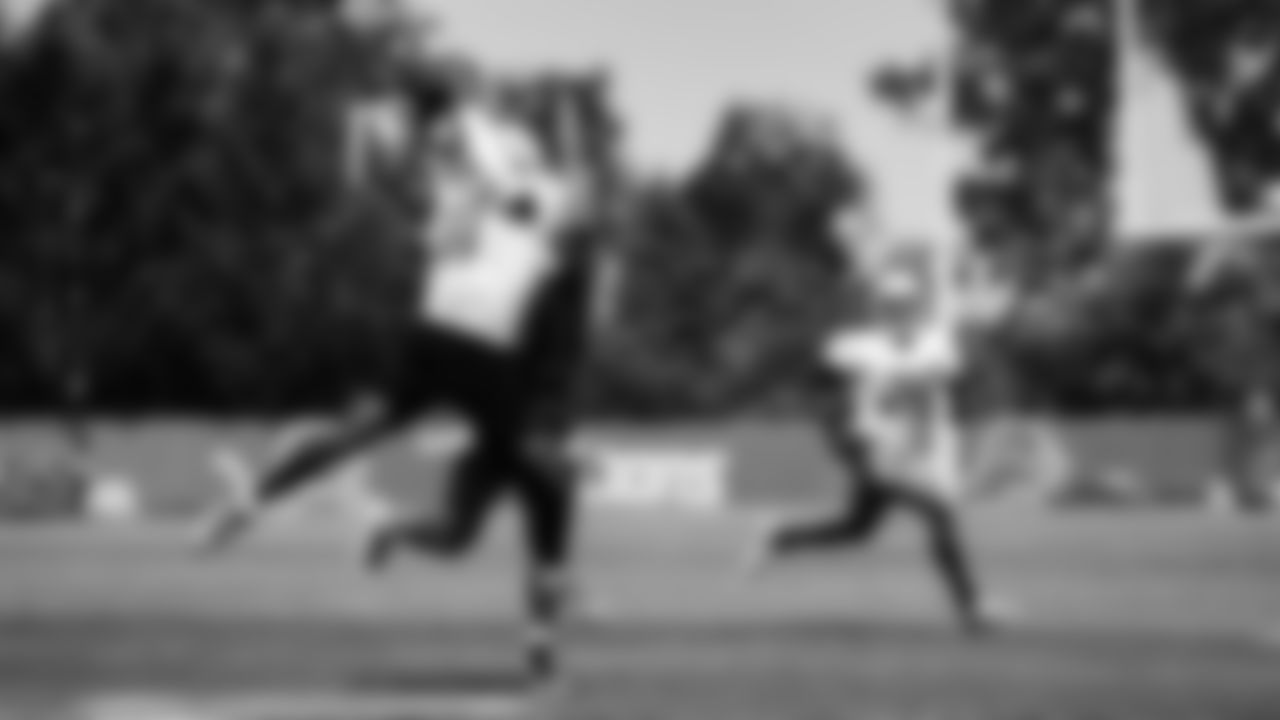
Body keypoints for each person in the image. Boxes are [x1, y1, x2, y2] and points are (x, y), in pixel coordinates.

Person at [200, 65, 593, 681]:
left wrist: (381, 129)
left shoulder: (458, 181)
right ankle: (543, 634)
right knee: (549, 484)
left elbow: (398, 177)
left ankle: (255, 498)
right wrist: (565, 128)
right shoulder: (536, 190)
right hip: (491, 348)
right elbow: (562, 194)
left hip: (434, 331)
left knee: (367, 426)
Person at [753, 247, 1005, 635]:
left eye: (904, 304)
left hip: (919, 454)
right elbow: (817, 377)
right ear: (880, 309)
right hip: (877, 452)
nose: (898, 312)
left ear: (916, 307)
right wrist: (842, 431)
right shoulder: (859, 347)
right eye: (890, 305)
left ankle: (781, 538)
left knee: (856, 530)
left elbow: (938, 376)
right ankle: (971, 608)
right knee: (939, 516)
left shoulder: (935, 343)